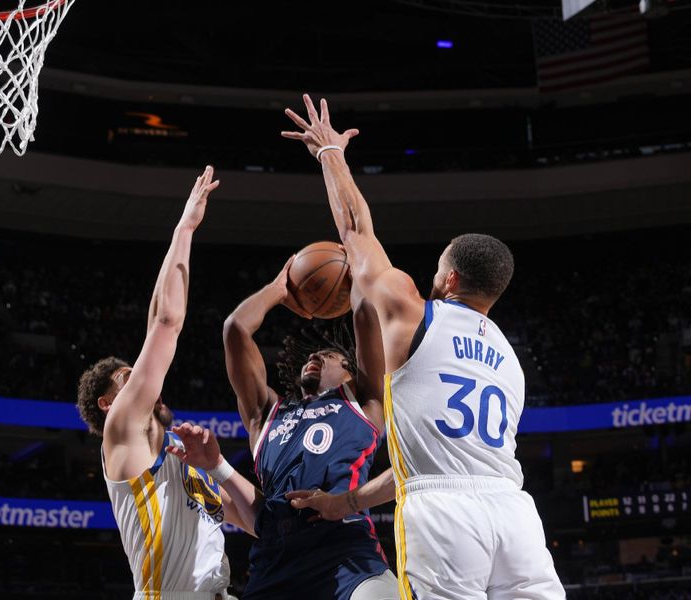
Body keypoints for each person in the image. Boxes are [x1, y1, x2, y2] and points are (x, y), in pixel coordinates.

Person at [282, 95, 565, 600]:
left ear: (450, 277)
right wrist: (345, 504)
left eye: (438, 266)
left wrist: (331, 155)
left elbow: (355, 231)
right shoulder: (510, 362)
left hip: (443, 518)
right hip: (516, 515)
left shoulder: (414, 312)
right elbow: (431, 465)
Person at [76, 167, 256, 600]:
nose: (142, 381)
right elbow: (166, 321)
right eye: (128, 378)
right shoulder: (122, 433)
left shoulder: (183, 457)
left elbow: (255, 522)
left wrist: (217, 468)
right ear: (107, 404)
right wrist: (185, 228)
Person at [212, 260, 397, 600]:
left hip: (344, 548)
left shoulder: (362, 400)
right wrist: (277, 290)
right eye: (312, 354)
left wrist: (354, 277)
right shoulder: (266, 413)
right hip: (276, 557)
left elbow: (366, 315)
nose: (314, 355)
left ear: (350, 371)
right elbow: (235, 328)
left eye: (327, 355)